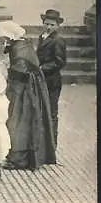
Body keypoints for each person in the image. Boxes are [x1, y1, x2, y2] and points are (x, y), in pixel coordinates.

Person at [0, 21, 56, 171]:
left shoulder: (19, 50)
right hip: (26, 88)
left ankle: (18, 159)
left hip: (24, 91)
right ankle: (17, 156)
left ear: (10, 36)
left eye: (5, 39)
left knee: (19, 121)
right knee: (20, 121)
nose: (4, 42)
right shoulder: (22, 44)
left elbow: (19, 72)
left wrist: (4, 70)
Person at [36, 9, 67, 147]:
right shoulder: (41, 37)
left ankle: (52, 145)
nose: (49, 27)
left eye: (52, 25)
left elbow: (60, 62)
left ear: (57, 26)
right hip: (42, 80)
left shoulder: (58, 40)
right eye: (47, 24)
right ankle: (44, 142)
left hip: (52, 81)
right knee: (42, 110)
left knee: (52, 113)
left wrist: (42, 68)